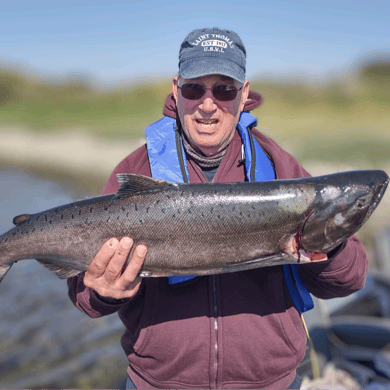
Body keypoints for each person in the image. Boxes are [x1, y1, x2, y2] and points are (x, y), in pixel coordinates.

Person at [68, 27, 368, 389]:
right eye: (195, 88)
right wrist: (102, 290)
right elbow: (83, 296)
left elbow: (350, 279)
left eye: (224, 89)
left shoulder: (279, 167)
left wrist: (326, 240)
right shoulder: (137, 168)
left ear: (244, 94)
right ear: (176, 89)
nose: (208, 105)